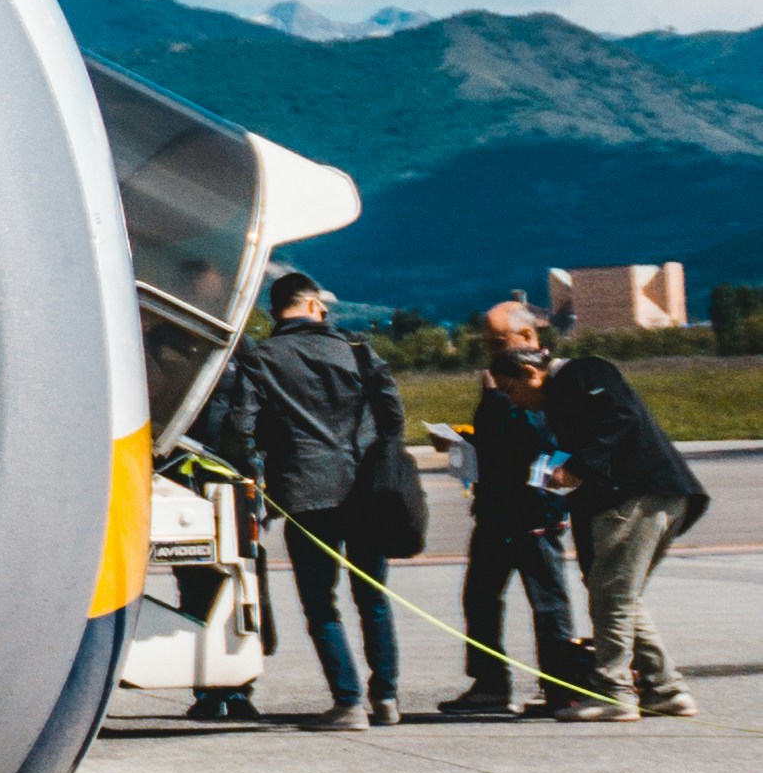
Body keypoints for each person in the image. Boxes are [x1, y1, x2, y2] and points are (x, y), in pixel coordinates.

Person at [207, 271, 413, 725]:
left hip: (303, 493)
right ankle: (387, 696)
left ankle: (348, 701)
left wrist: (258, 467)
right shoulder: (357, 348)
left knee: (321, 602)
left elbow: (241, 427)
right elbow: (393, 414)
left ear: (274, 311)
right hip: (365, 489)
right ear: (316, 306)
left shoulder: (263, 358)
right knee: (373, 597)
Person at [538, 327, 717, 722]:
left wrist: (575, 467)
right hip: (652, 497)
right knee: (619, 595)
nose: (510, 398)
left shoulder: (584, 372)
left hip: (640, 495)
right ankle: (665, 689)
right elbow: (571, 451)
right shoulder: (558, 402)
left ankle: (613, 690)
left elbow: (619, 417)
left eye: (509, 388)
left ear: (531, 374)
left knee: (612, 597)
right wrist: (548, 471)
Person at [435, 303, 592, 718]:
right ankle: (489, 683)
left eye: (497, 342)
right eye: (486, 342)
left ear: (527, 338)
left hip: (532, 513)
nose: (489, 350)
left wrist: (541, 496)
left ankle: (561, 686)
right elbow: (501, 439)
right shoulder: (496, 379)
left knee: (547, 602)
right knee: (480, 597)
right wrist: (463, 440)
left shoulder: (547, 379)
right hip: (494, 509)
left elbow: (552, 443)